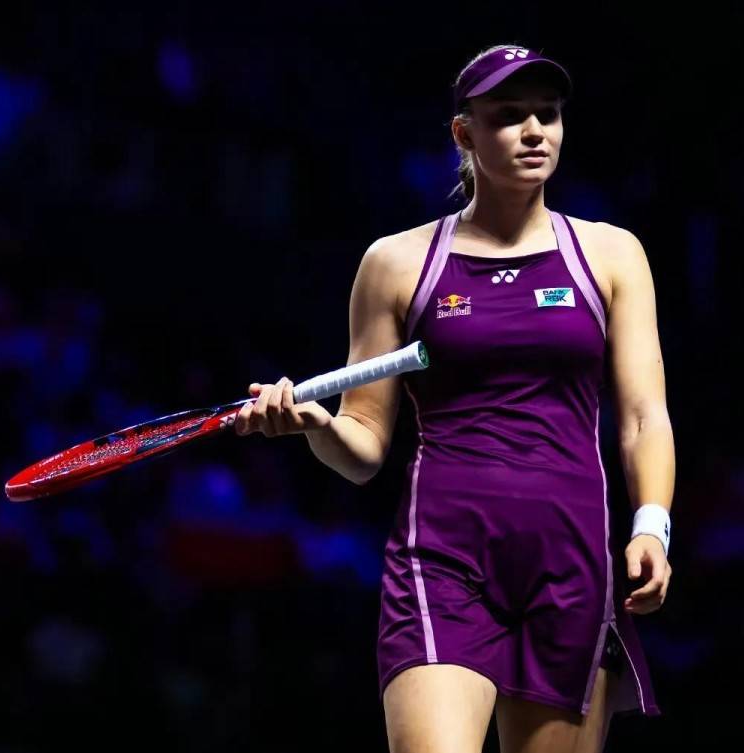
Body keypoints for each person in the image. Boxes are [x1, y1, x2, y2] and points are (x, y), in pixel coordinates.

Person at [234, 43, 674, 753]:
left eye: (548, 114)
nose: (534, 131)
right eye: (509, 115)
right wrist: (315, 425)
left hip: (570, 564)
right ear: (464, 133)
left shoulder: (612, 254)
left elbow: (644, 417)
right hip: (441, 561)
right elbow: (363, 446)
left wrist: (652, 525)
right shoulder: (396, 263)